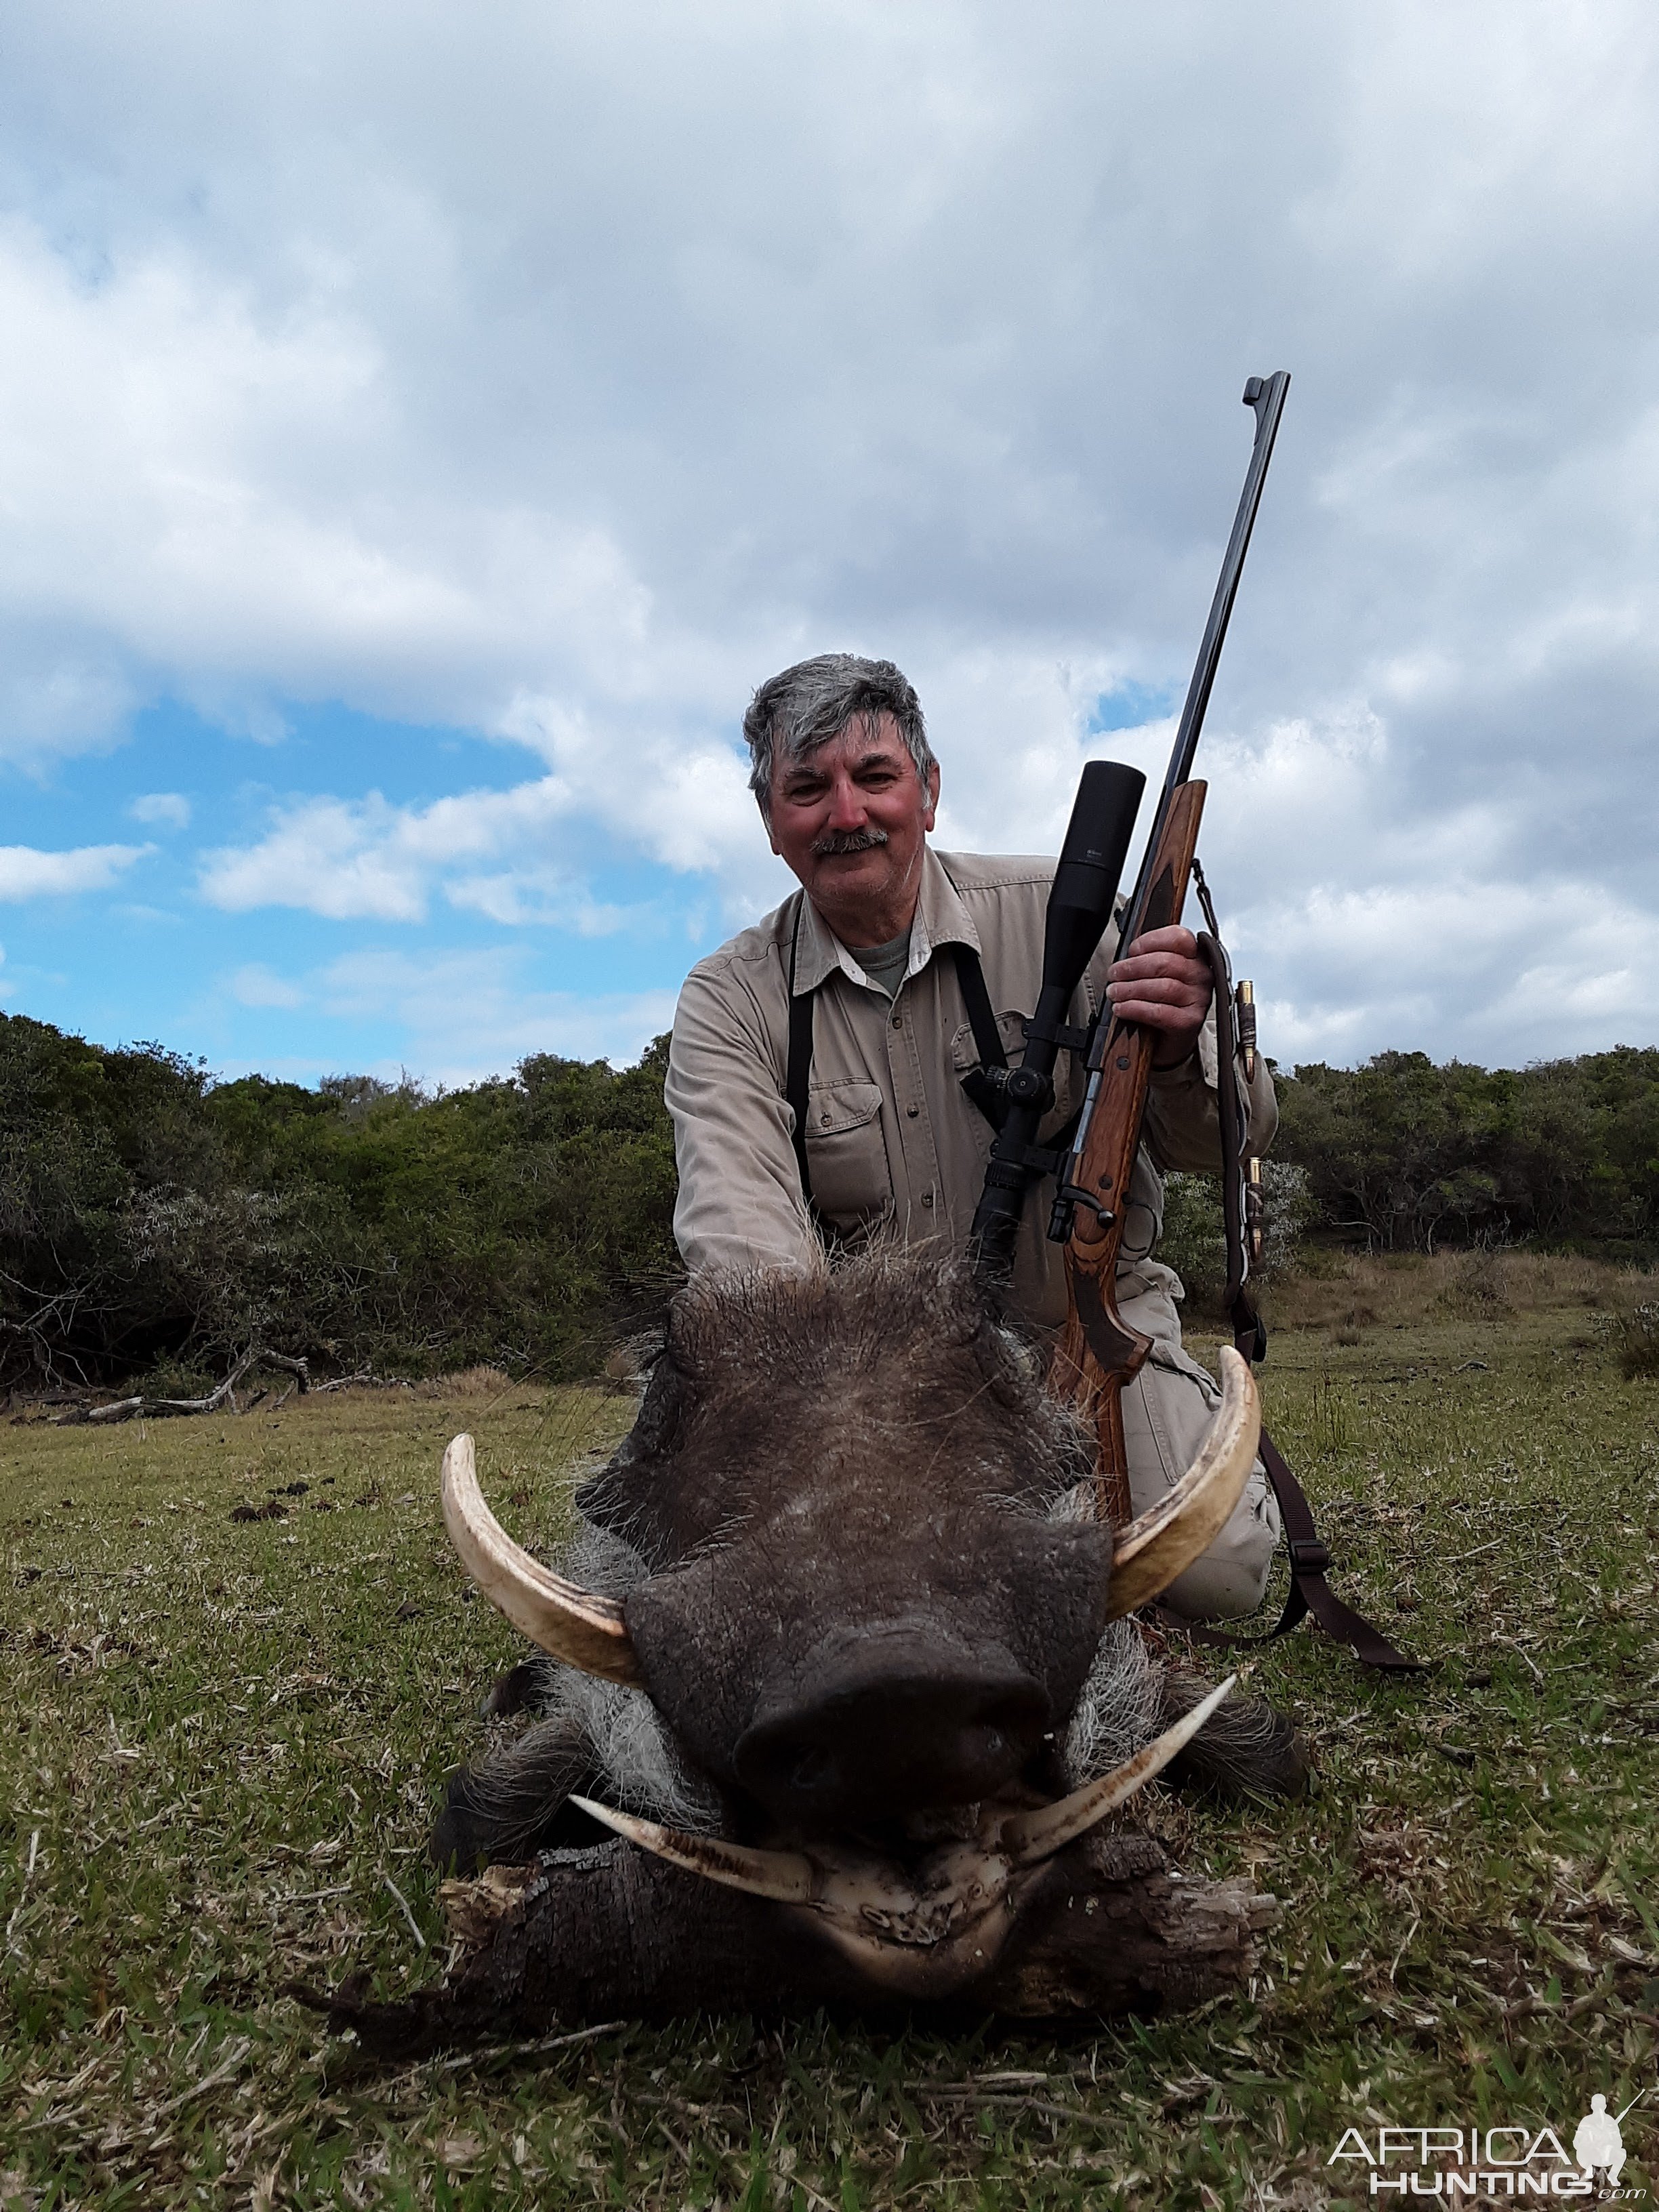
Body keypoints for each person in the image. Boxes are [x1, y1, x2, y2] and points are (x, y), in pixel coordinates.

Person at [665, 654, 1280, 1620]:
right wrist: (838, 1432)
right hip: (873, 1385)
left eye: (875, 777)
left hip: (1085, 1325)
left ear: (930, 790)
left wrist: (1179, 1049)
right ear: (771, 821)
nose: (845, 814)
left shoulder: (1069, 918)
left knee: (1218, 1575)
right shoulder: (730, 997)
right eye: (806, 789)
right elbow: (740, 1243)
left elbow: (1227, 1145)